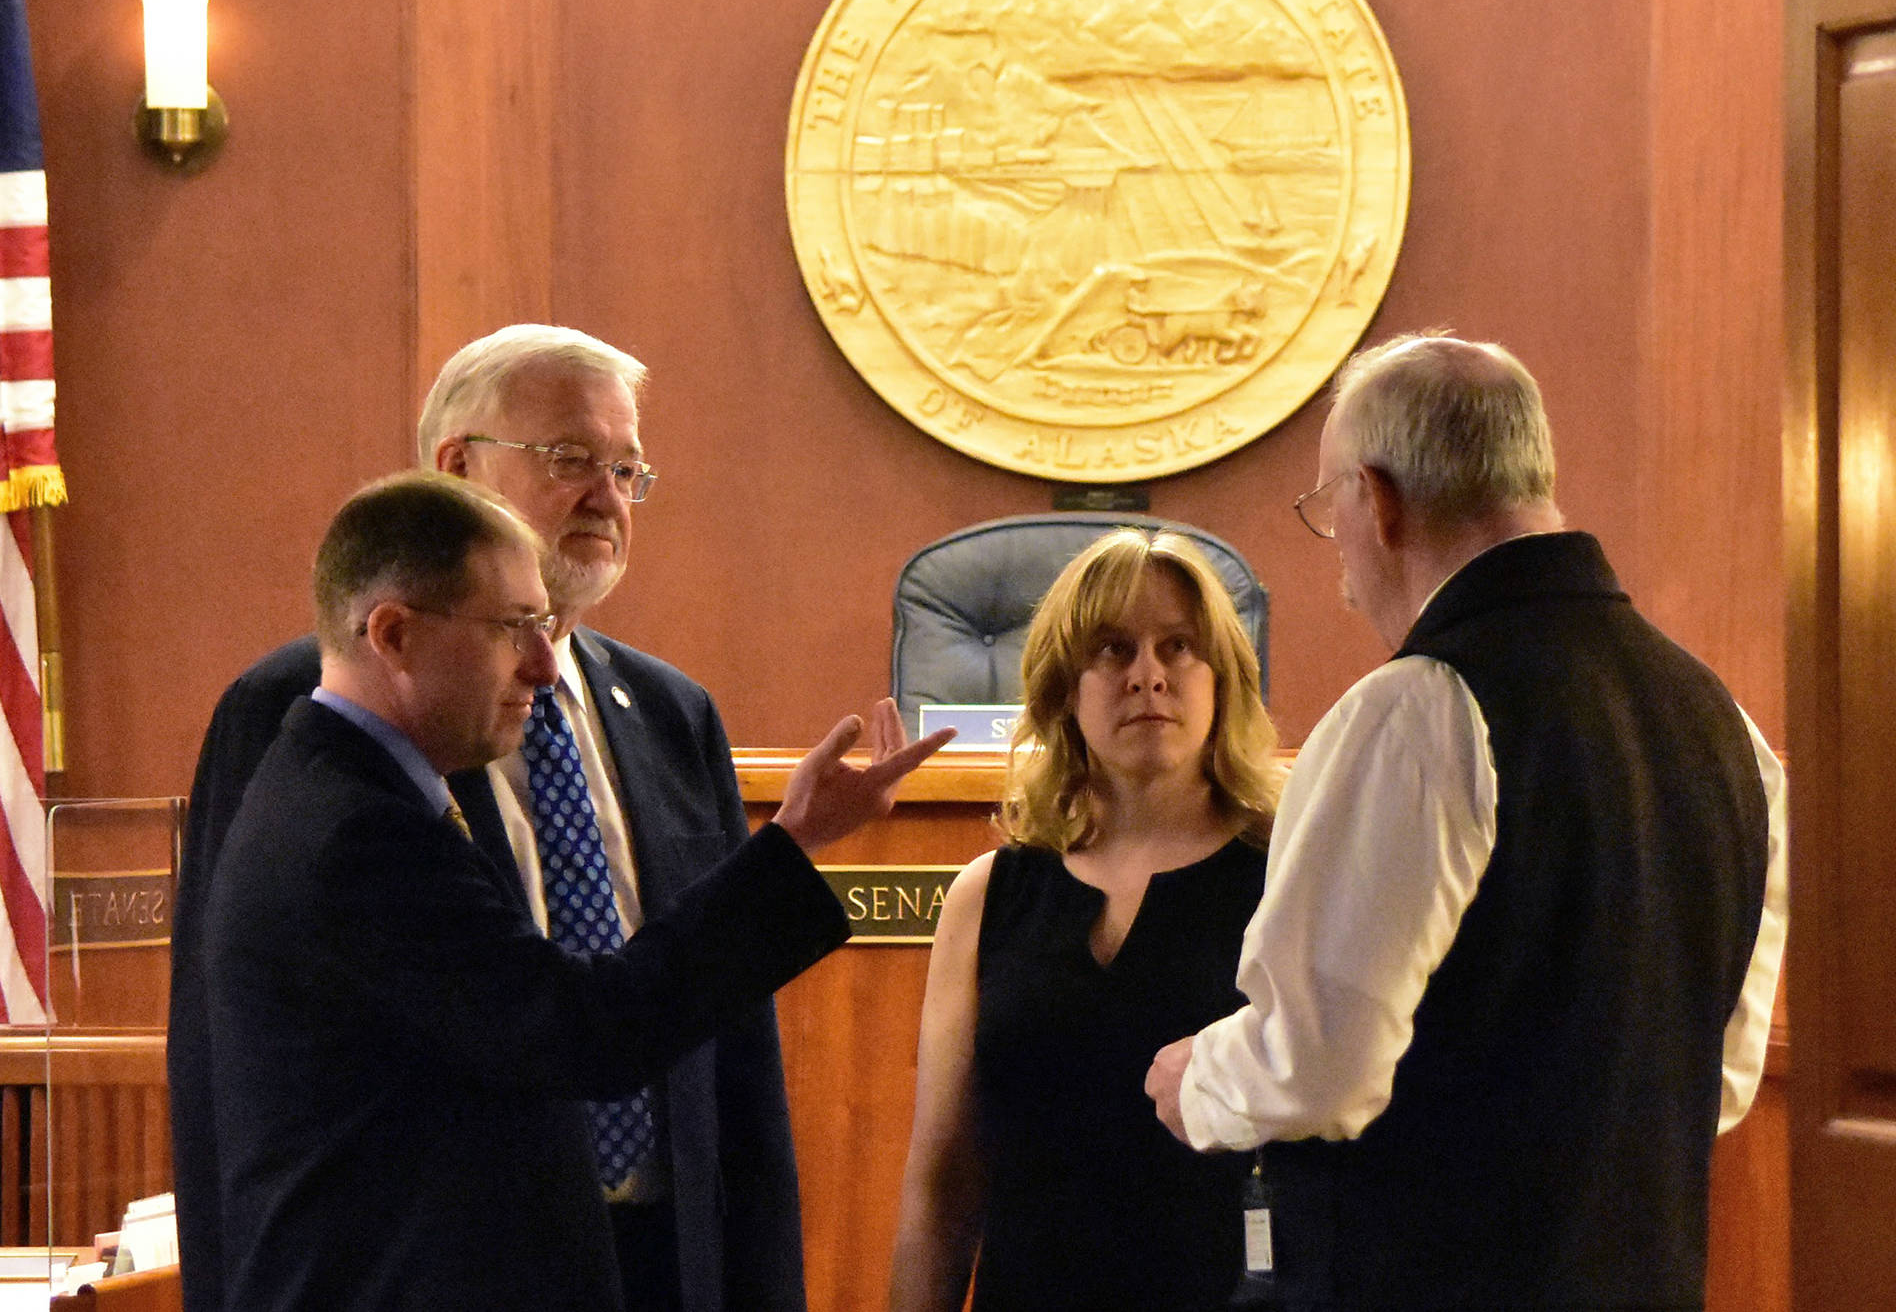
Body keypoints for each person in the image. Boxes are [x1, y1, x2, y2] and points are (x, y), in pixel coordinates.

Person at [169, 326, 834, 1312]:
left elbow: (732, 1057)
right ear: (456, 466)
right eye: (572, 459)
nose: (607, 496)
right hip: (437, 1269)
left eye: (627, 468)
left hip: (664, 1264)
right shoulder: (298, 710)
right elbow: (224, 1062)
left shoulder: (669, 712)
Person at [1143, 333, 1789, 1311]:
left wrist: (1196, 1080)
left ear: (1379, 499)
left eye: (1329, 512)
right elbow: (1721, 1082)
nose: (1340, 562)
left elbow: (1317, 1067)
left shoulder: (1414, 711)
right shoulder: (1725, 724)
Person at [890, 528, 1284, 1311]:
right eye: (1112, 649)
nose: (1148, 676)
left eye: (1178, 646)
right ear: (1064, 689)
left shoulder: (1289, 879)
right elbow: (942, 1188)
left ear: (1224, 681)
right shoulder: (987, 895)